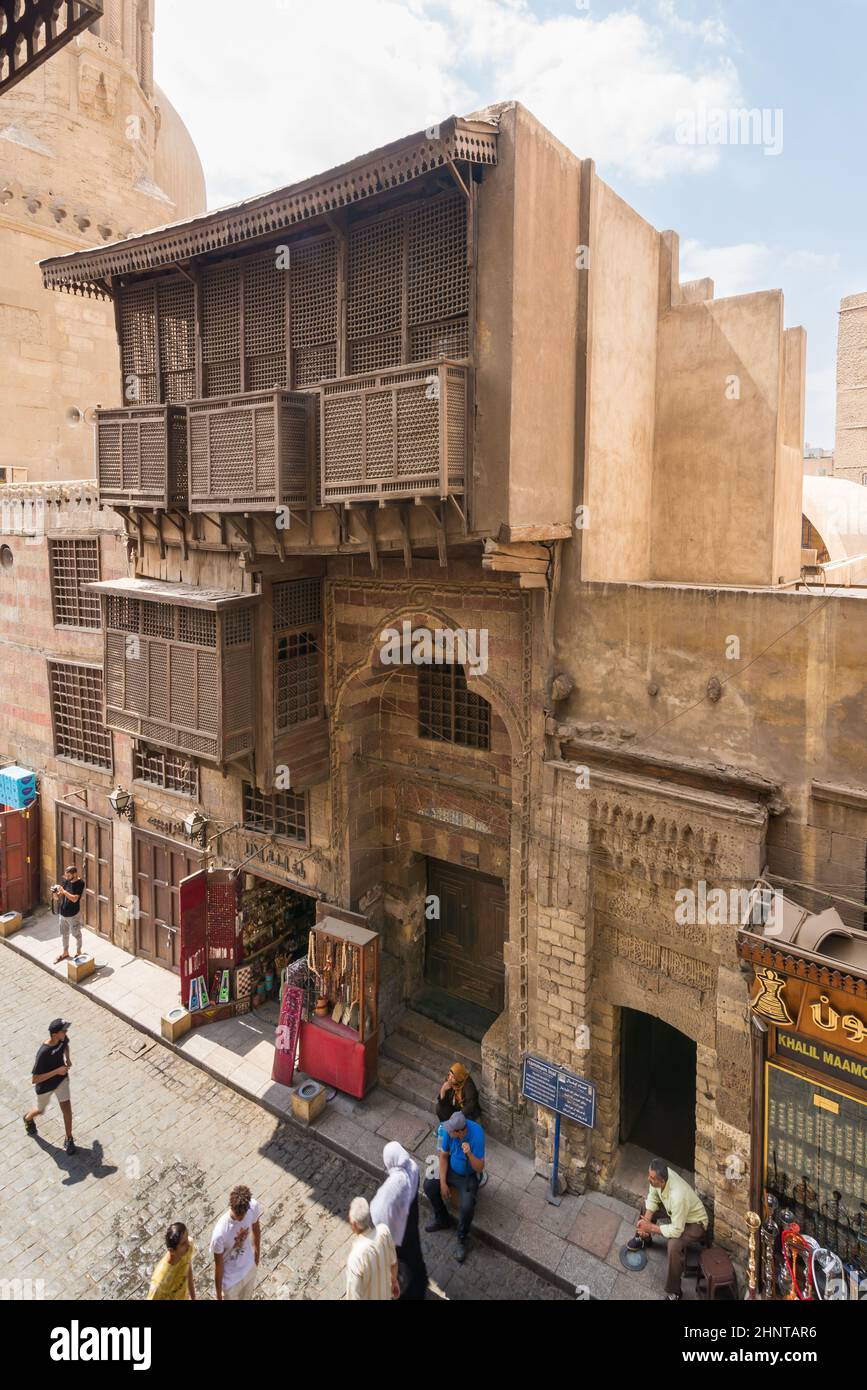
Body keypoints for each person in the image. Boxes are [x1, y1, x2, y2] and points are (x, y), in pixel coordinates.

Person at [627, 1158, 709, 1300]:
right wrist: (645, 1224)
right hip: (676, 1212)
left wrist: (651, 1227)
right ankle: (643, 1239)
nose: (648, 1179)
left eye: (651, 1178)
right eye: (649, 1175)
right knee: (645, 1208)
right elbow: (652, 1198)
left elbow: (677, 1230)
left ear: (662, 1181)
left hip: (695, 1223)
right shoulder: (659, 1176)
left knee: (673, 1245)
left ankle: (675, 1291)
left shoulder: (678, 1196)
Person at [423, 1108, 485, 1263]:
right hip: (451, 1168)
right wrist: (443, 1182)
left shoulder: (477, 1135)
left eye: (451, 1130)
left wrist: (470, 1154)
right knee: (429, 1184)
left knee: (467, 1206)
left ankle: (462, 1238)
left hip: (468, 1175)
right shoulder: (447, 1132)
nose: (447, 1131)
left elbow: (479, 1168)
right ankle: (442, 1218)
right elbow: (443, 1156)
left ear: (459, 1132)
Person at [370, 1142, 428, 1300]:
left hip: (399, 1236)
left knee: (401, 1266)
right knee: (415, 1258)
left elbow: (379, 1210)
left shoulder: (394, 1185)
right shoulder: (413, 1167)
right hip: (411, 1225)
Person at [23, 1017, 75, 1154]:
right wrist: (57, 1071)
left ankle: (69, 1138)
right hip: (45, 1086)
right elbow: (35, 1079)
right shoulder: (43, 1052)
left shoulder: (62, 1039)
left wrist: (68, 1059)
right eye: (64, 1030)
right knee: (40, 1110)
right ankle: (28, 1118)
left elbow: (66, 1046)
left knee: (67, 1108)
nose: (66, 1031)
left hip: (62, 1080)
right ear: (54, 1034)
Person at [209, 1185, 262, 1301]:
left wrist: (257, 1253)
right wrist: (219, 1295)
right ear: (231, 1206)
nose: (241, 1217)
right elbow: (218, 1266)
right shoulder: (219, 1234)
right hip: (231, 1282)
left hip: (249, 1268)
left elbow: (256, 1228)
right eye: (238, 1214)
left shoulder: (252, 1207)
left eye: (243, 1213)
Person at [345, 1196, 399, 1300]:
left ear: (354, 1224)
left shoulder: (355, 1259)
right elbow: (394, 1262)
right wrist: (394, 1282)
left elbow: (354, 1297)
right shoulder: (384, 1231)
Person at [147, 1222, 196, 1301]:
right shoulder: (159, 1281)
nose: (188, 1244)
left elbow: (188, 1269)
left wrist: (193, 1297)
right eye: (183, 1244)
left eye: (187, 1238)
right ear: (171, 1251)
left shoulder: (188, 1247)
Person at [51, 864, 85, 965]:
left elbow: (75, 899)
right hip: (62, 914)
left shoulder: (80, 883)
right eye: (66, 876)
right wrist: (54, 893)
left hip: (73, 915)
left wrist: (64, 891)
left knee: (76, 934)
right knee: (64, 935)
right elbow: (57, 898)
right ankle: (65, 953)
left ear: (75, 874)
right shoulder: (66, 881)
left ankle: (79, 952)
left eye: (69, 876)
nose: (67, 878)